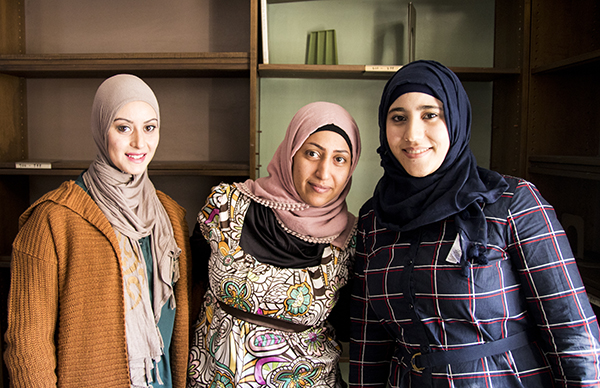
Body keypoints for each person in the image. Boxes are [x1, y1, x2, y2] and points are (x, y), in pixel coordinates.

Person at [349, 60, 600, 387]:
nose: (412, 135)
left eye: (430, 115)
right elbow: (369, 342)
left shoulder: (511, 202)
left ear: (456, 118)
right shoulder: (374, 218)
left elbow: (573, 331)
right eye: (398, 118)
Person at [3, 74, 191, 387]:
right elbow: (28, 344)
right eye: (123, 127)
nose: (139, 143)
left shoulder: (169, 215)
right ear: (100, 127)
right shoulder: (53, 219)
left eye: (149, 127)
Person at [187, 101, 361, 388]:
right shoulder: (226, 207)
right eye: (312, 153)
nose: (323, 172)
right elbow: (191, 290)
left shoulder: (351, 239)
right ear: (291, 152)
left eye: (339, 159)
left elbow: (346, 327)